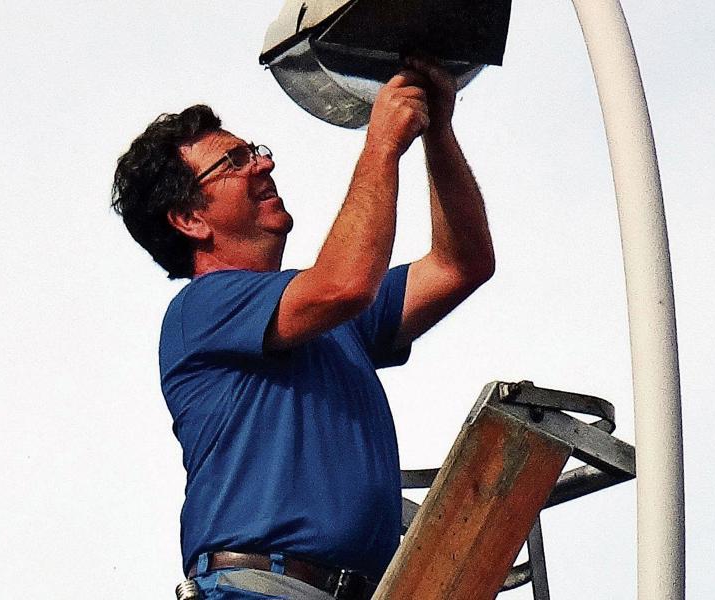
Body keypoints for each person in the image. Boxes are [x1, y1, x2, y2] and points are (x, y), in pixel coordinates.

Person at [112, 58, 494, 600]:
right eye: (234, 161)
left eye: (256, 151)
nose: (262, 165)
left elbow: (462, 264)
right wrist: (381, 144)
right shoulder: (200, 310)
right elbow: (344, 285)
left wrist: (439, 133)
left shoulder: (331, 319)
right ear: (190, 219)